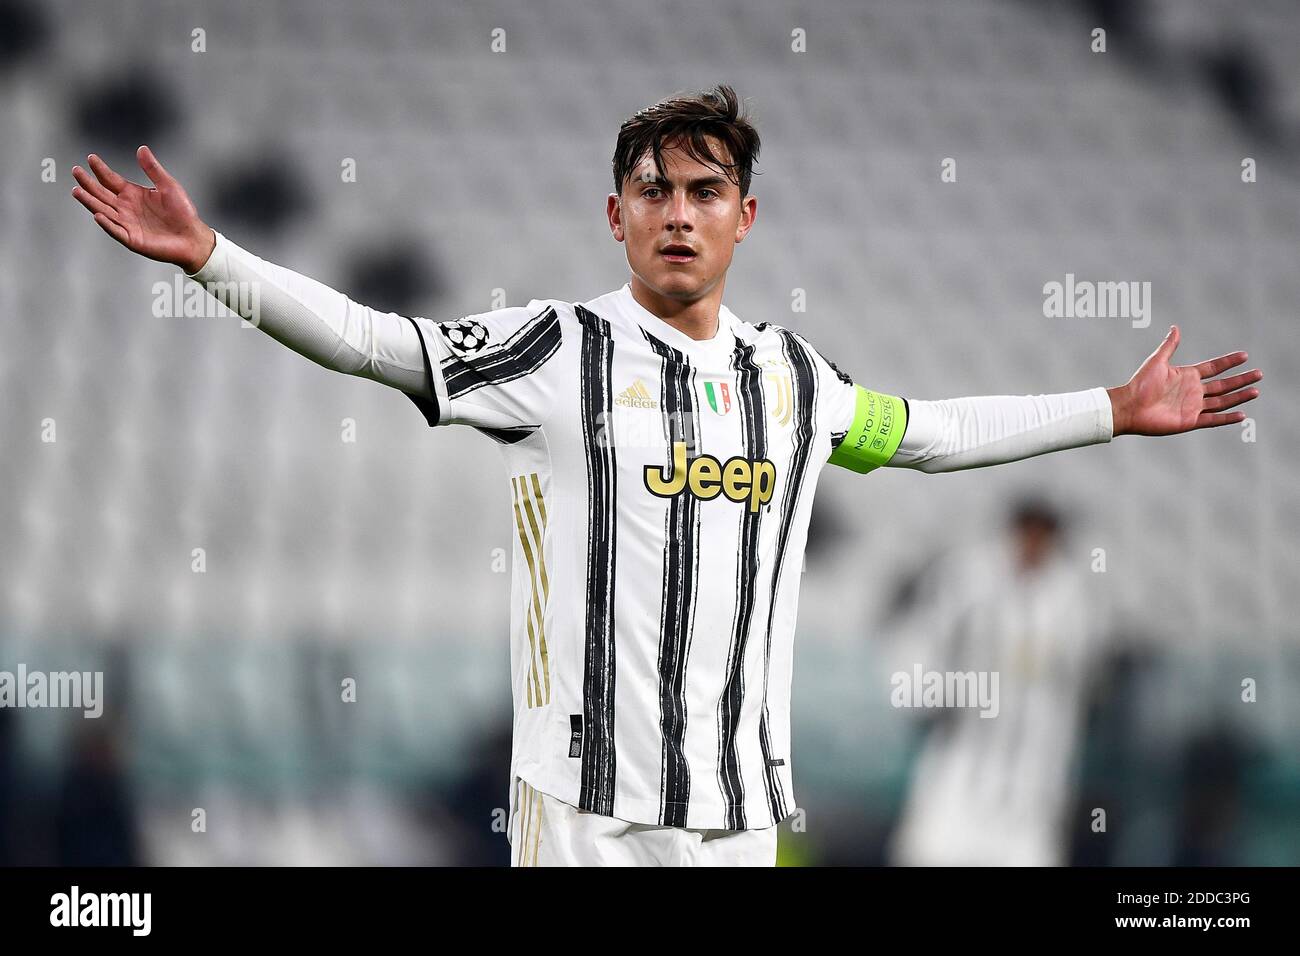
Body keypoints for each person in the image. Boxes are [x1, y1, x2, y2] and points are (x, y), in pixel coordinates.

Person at [70, 85, 1262, 866]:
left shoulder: (793, 380)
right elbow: (381, 342)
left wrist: (1108, 408)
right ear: (616, 214)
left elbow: (932, 432)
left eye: (703, 193)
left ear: (746, 216)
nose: (677, 214)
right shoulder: (556, 349)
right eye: (654, 191)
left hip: (736, 813)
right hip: (582, 807)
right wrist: (212, 256)